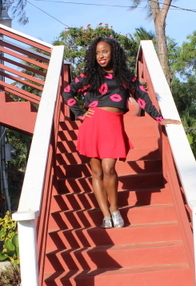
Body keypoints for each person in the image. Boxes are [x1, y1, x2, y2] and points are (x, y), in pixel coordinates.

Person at [62, 37, 181, 229]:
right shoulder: (89, 76)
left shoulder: (125, 77)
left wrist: (159, 118)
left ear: (113, 53)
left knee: (109, 169)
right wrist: (80, 114)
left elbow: (142, 98)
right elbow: (67, 92)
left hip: (113, 125)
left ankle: (115, 209)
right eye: (98, 52)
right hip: (92, 125)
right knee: (97, 172)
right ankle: (105, 214)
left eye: (105, 52)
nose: (101, 56)